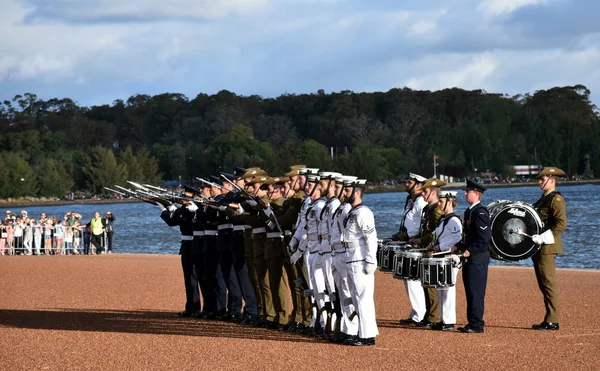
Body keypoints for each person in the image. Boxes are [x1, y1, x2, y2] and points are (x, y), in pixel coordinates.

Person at [530, 167, 567, 330]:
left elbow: (561, 224)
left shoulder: (556, 200)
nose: (539, 182)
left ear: (551, 180)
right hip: (539, 247)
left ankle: (553, 319)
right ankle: (548, 318)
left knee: (548, 283)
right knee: (543, 284)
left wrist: (543, 237)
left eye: (542, 179)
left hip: (548, 247)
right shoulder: (543, 199)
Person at [342, 179, 379, 346]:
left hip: (360, 258)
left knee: (363, 298)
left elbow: (370, 238)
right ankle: (361, 331)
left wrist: (371, 260)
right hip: (350, 257)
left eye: (347, 190)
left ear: (357, 192)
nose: (343, 193)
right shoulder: (352, 211)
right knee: (356, 298)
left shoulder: (363, 212)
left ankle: (367, 335)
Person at [458, 179, 491, 334]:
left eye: (468, 191)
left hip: (478, 258)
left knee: (476, 292)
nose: (465, 193)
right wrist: (459, 247)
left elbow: (484, 238)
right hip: (471, 258)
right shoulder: (469, 211)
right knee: (470, 291)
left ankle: (477, 324)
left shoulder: (480, 212)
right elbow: (468, 236)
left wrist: (470, 250)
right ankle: (472, 321)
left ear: (476, 194)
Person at [427, 191, 462, 331]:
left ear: (450, 201)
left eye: (441, 201)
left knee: (447, 290)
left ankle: (449, 321)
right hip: (441, 256)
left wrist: (439, 246)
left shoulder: (454, 220)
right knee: (441, 288)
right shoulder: (443, 219)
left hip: (449, 258)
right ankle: (442, 319)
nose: (439, 203)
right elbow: (438, 234)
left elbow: (457, 239)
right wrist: (431, 243)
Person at [396, 173, 428, 325]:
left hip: (415, 243)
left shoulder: (421, 202)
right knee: (408, 279)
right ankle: (416, 312)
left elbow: (422, 224)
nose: (406, 183)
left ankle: (419, 314)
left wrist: (408, 235)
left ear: (419, 185)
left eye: (409, 181)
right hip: (408, 241)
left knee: (412, 279)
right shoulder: (411, 200)